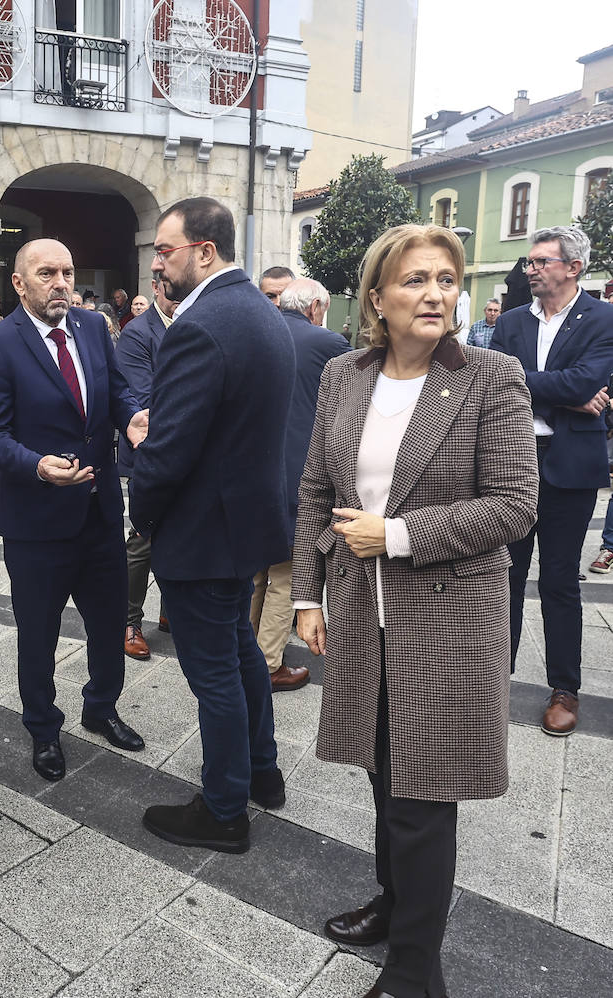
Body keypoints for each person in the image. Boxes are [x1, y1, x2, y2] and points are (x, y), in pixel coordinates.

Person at [294, 223, 538, 998]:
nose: (434, 293)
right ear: (377, 298)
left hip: (451, 617)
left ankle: (412, 974)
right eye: (414, 280)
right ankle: (397, 905)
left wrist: (395, 534)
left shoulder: (490, 376)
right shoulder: (345, 374)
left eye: (445, 279)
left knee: (422, 799)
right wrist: (306, 591)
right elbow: (314, 492)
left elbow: (514, 505)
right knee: (381, 775)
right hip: (364, 615)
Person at [129, 197, 293, 854]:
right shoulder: (258, 311)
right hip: (242, 522)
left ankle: (224, 809)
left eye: (164, 251)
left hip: (203, 531)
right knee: (240, 650)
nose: (156, 265)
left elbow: (170, 452)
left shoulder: (202, 324)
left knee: (215, 673)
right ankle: (263, 772)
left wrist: (142, 506)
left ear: (204, 251)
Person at [0, 237, 149, 783]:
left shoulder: (94, 328)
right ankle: (44, 728)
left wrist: (132, 418)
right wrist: (35, 465)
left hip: (97, 512)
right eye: (46, 273)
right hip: (38, 521)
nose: (61, 283)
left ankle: (101, 708)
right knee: (39, 632)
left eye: (67, 271)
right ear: (19, 284)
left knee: (107, 621)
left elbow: (115, 392)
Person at [491, 225, 613, 736]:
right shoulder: (514, 320)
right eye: (529, 261)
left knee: (560, 581)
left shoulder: (603, 317)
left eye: (541, 260)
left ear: (573, 267)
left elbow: (587, 380)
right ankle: (497, 676)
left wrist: (563, 389)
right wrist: (565, 396)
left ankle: (564, 688)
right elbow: (490, 379)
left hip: (568, 467)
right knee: (507, 577)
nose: (531, 268)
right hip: (511, 463)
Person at [249, 278, 350, 693]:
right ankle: (269, 664)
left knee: (256, 574)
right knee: (287, 578)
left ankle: (245, 653)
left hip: (251, 470)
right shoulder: (329, 344)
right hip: (299, 472)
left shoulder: (255, 334)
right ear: (315, 308)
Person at [117, 268, 174, 661]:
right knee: (142, 539)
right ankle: (128, 620)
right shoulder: (139, 332)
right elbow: (144, 397)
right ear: (155, 288)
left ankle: (171, 612)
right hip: (150, 454)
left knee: (181, 532)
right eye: (171, 287)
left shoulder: (196, 323)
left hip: (190, 456)